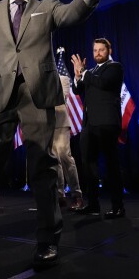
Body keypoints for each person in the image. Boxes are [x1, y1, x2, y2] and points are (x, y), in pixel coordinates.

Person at [0, 0, 111, 272]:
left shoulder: (47, 5)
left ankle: (48, 241)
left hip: (39, 96)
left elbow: (72, 14)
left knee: (44, 166)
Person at [70, 38, 125, 218]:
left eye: (101, 50)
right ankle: (93, 204)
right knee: (88, 166)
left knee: (111, 166)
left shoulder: (115, 67)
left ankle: (118, 207)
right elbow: (78, 90)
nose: (97, 53)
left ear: (109, 50)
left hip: (107, 123)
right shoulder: (91, 72)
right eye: (95, 50)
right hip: (89, 125)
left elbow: (103, 83)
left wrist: (84, 72)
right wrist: (77, 76)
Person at [53, 75, 83, 211]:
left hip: (60, 123)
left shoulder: (63, 79)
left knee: (65, 156)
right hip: (45, 125)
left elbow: (61, 97)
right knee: (54, 161)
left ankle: (76, 194)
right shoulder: (39, 79)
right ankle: (60, 196)